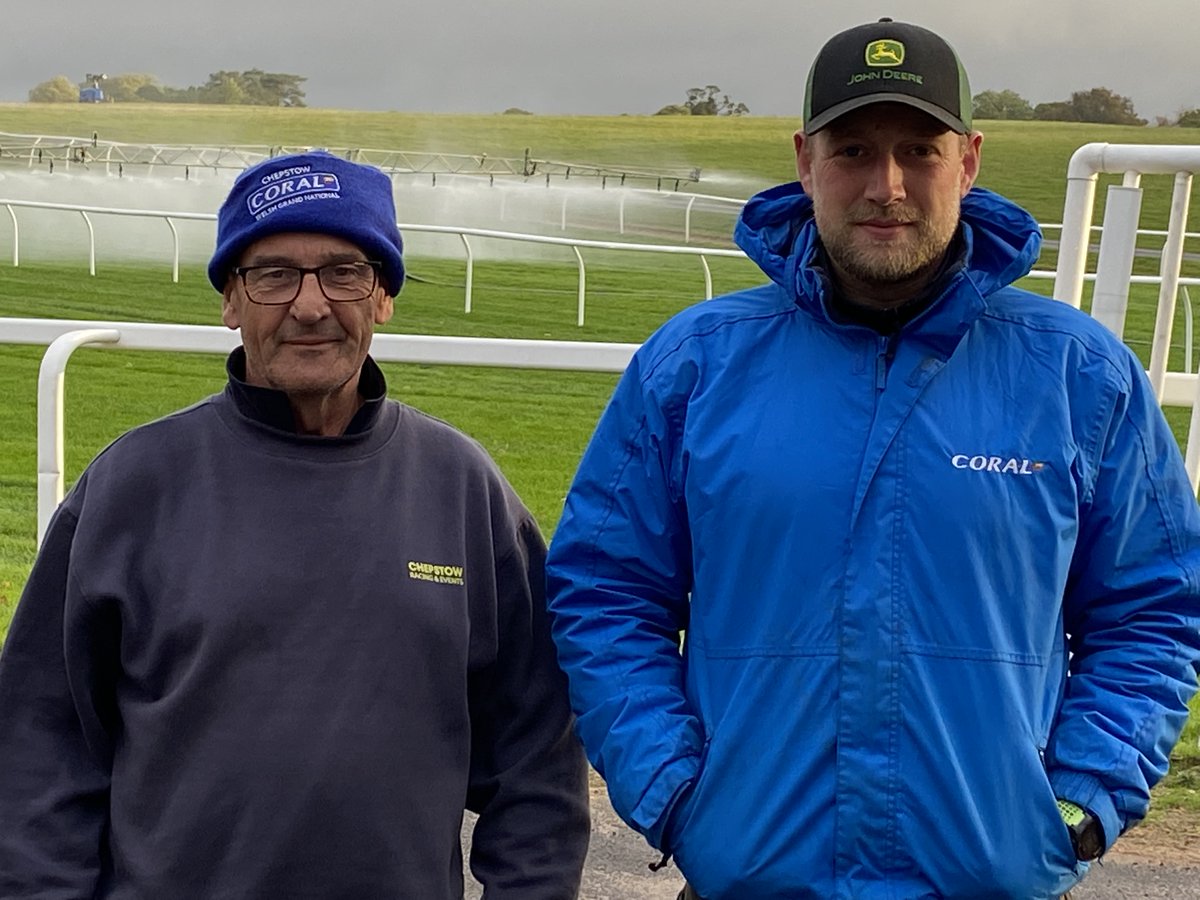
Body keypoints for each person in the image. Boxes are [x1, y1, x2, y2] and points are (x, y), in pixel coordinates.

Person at [545, 18, 1200, 900]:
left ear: (967, 161)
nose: (886, 185)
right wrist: (675, 792)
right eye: (853, 149)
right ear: (805, 161)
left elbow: (1154, 611)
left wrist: (1081, 798)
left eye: (918, 151)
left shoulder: (1079, 375)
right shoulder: (693, 366)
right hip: (752, 875)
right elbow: (604, 590)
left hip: (990, 877)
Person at [0, 151, 589, 898]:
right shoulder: (133, 485)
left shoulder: (464, 490)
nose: (310, 306)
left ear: (383, 297)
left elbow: (538, 763)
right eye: (273, 274)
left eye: (343, 271)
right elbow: (37, 752)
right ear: (229, 300)